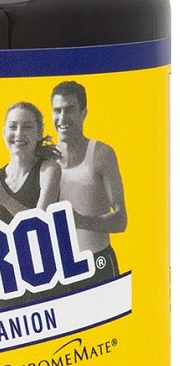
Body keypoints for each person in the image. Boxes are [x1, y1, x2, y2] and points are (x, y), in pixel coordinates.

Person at [0, 101, 61, 308]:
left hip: (41, 278)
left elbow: (39, 225)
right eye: (13, 126)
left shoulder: (48, 170)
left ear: (39, 133)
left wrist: (5, 199)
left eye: (27, 127)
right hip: (7, 281)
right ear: (3, 132)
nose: (19, 133)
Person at [51, 80, 127, 284]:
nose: (62, 118)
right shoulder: (45, 159)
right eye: (57, 111)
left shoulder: (101, 154)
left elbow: (121, 220)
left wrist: (81, 221)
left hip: (98, 263)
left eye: (69, 110)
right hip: (58, 268)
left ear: (83, 113)